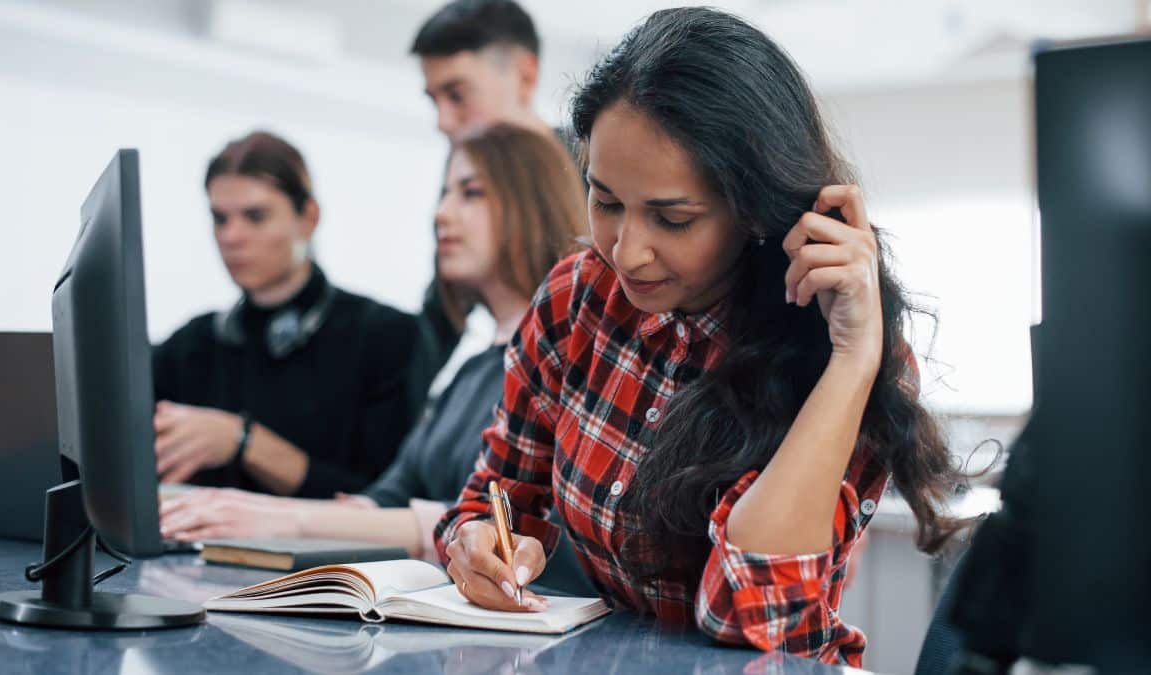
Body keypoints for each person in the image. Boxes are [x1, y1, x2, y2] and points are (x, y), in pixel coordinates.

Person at [435, 8, 968, 666]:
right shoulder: (579, 295)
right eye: (605, 203)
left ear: (756, 210)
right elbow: (497, 492)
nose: (627, 253)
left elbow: (749, 615)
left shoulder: (832, 354)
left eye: (672, 218)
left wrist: (855, 359)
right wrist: (479, 541)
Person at [160, 124, 588, 570]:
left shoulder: (569, 362)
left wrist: (283, 518)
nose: (441, 213)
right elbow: (387, 498)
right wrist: (246, 512)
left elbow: (524, 530)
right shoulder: (470, 372)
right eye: (444, 193)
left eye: (471, 193)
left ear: (533, 205)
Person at [153, 131, 456, 498]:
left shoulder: (387, 337)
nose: (231, 236)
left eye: (255, 216)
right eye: (220, 219)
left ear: (308, 217)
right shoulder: (190, 345)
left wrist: (245, 441)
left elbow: (388, 500)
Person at [411, 0, 562, 145]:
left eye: (456, 96)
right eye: (434, 101)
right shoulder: (460, 169)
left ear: (525, 78)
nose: (443, 123)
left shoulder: (582, 163)